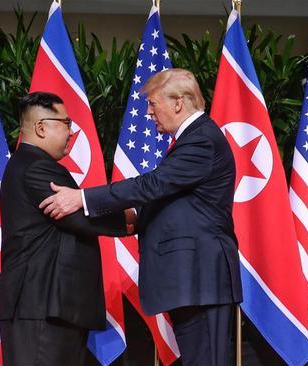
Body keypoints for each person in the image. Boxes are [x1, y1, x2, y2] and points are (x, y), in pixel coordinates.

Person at [39, 69, 242, 366]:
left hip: (201, 277)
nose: (148, 112)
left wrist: (81, 197)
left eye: (153, 103)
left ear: (178, 102)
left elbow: (153, 185)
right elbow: (174, 200)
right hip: (193, 278)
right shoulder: (192, 140)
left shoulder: (201, 140)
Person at [0, 92, 133, 366]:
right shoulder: (36, 166)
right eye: (66, 123)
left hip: (47, 307)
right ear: (41, 127)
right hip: (41, 306)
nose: (71, 132)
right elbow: (79, 217)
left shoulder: (28, 163)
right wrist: (134, 218)